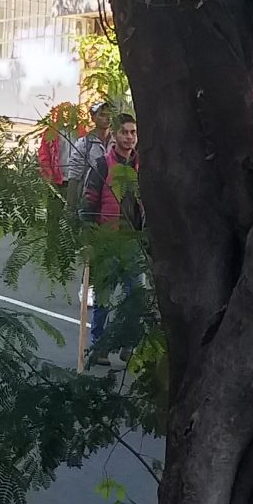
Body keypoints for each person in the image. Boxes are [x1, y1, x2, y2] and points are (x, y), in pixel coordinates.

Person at [81, 111, 146, 364]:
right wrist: (89, 237)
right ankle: (99, 347)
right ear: (115, 135)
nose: (129, 138)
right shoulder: (102, 165)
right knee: (104, 298)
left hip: (133, 241)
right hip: (107, 241)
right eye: (125, 132)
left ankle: (128, 343)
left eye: (133, 132)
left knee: (136, 297)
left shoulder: (143, 166)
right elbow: (88, 203)